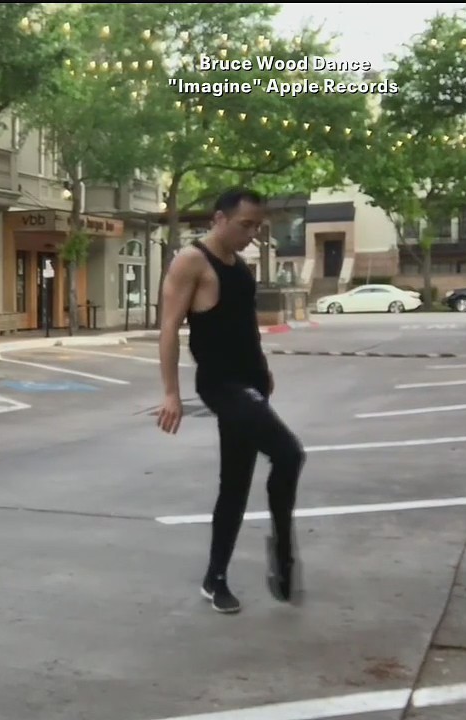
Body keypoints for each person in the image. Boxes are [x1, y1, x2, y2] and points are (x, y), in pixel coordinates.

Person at [155, 187, 306, 614]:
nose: (252, 233)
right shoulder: (191, 261)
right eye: (245, 225)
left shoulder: (240, 266)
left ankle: (214, 578)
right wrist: (171, 392)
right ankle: (283, 552)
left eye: (257, 226)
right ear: (218, 219)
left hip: (250, 381)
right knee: (289, 453)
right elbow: (168, 328)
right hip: (220, 385)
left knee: (235, 484)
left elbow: (243, 327)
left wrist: (262, 369)